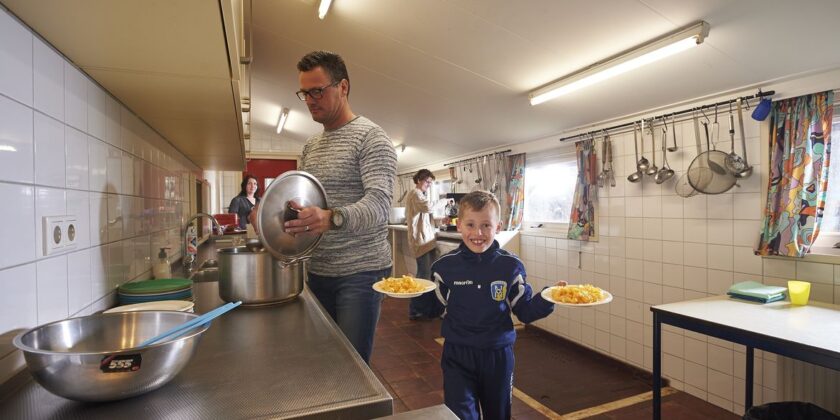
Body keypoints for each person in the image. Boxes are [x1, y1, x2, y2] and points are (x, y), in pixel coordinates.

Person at [253, 51, 396, 364]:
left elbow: (380, 204)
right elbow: (311, 204)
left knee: (352, 366)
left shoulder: (372, 138)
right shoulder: (311, 146)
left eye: (318, 90)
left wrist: (332, 218)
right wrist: (276, 215)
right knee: (326, 360)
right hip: (319, 269)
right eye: (305, 92)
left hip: (361, 271)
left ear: (343, 87)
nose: (309, 100)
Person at [432, 191, 564, 420]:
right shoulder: (444, 267)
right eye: (471, 225)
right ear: (459, 225)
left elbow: (525, 311)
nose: (478, 233)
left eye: (486, 225)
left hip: (498, 356)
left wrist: (549, 297)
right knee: (460, 414)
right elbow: (434, 305)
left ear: (498, 226)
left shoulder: (510, 266)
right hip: (457, 354)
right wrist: (411, 293)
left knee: (498, 415)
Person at [406, 168, 448, 320]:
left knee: (428, 275)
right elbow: (428, 207)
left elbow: (425, 217)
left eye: (431, 183)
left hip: (427, 240)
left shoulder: (421, 195)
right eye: (427, 181)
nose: (429, 185)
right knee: (423, 275)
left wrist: (440, 220)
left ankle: (427, 309)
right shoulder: (414, 194)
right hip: (420, 241)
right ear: (418, 180)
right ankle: (415, 310)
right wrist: (443, 200)